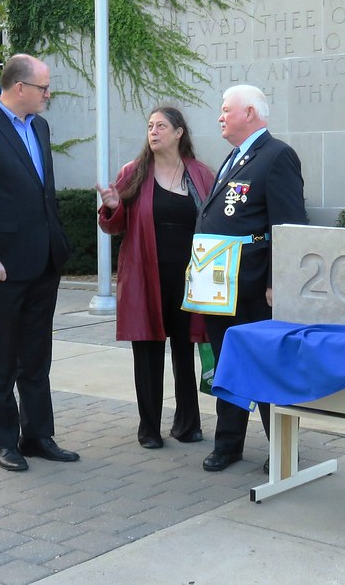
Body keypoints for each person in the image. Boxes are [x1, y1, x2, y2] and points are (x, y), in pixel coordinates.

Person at [0, 53, 79, 472]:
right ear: (19, 87)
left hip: (43, 261)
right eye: (43, 87)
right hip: (0, 268)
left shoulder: (39, 126)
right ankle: (6, 441)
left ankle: (38, 435)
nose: (49, 94)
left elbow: (43, 191)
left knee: (36, 355)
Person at [196, 84, 308, 472]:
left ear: (249, 113)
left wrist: (279, 280)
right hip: (221, 284)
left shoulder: (276, 156)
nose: (220, 117)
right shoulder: (235, 157)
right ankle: (228, 444)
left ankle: (283, 447)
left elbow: (289, 225)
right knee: (228, 364)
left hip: (256, 285)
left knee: (265, 366)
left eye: (226, 110)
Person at [97, 107, 215, 449]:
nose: (153, 132)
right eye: (150, 126)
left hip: (190, 278)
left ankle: (188, 424)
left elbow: (214, 220)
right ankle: (149, 428)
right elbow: (114, 225)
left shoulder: (200, 173)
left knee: (185, 349)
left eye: (161, 126)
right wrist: (112, 206)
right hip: (146, 276)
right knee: (148, 351)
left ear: (179, 133)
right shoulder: (133, 172)